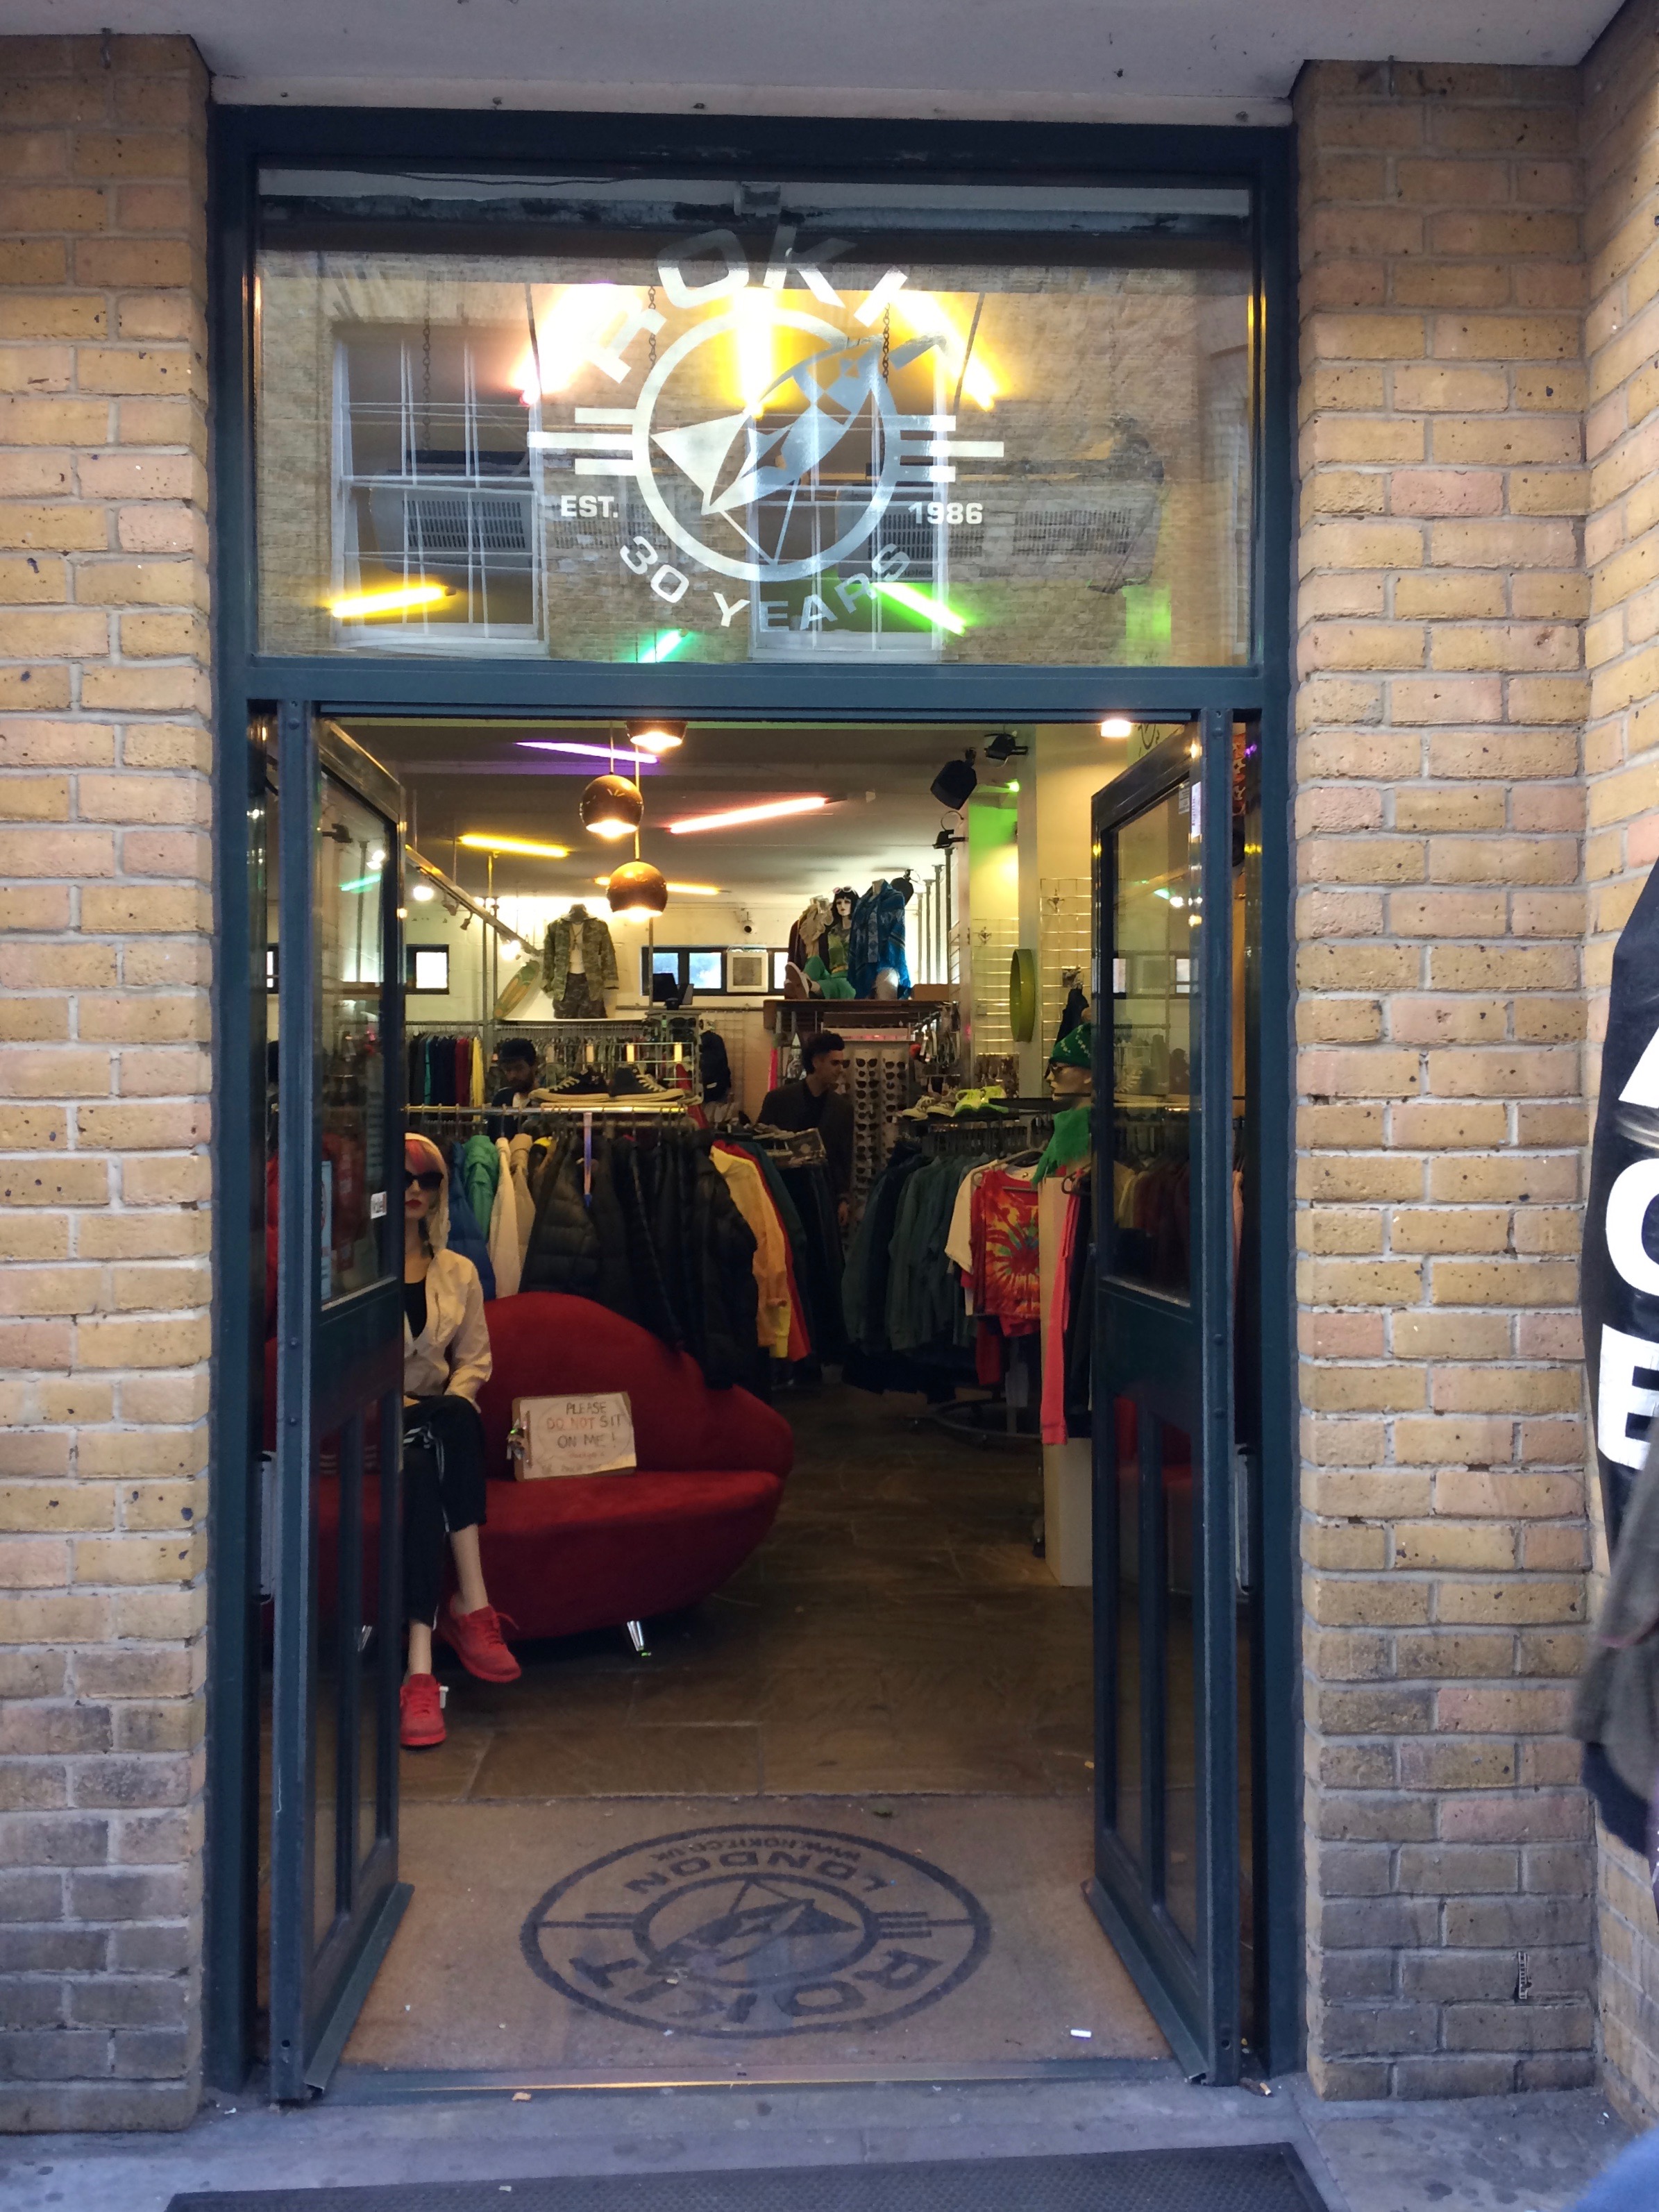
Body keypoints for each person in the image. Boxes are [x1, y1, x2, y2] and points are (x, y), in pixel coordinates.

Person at [400, 1132, 520, 1750]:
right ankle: (472, 1604)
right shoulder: (354, 1273)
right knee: (447, 1424)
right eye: (403, 1178)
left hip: (437, 1426)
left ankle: (419, 1669)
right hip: (378, 1419)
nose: (415, 1189)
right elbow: (342, 1364)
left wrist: (450, 1401)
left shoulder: (459, 1271)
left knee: (426, 1465)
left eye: (428, 1179)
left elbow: (474, 1360)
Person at [759, 1029, 852, 1227]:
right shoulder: (779, 1100)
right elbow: (762, 1145)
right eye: (834, 1063)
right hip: (785, 1191)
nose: (840, 1069)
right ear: (816, 1062)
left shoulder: (842, 1108)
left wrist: (843, 1198)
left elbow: (843, 1157)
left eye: (842, 1063)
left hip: (823, 1194)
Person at [489, 1037, 539, 1136]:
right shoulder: (501, 1099)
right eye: (508, 1070)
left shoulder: (544, 1103)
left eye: (519, 1068)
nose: (512, 1075)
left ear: (534, 1066)